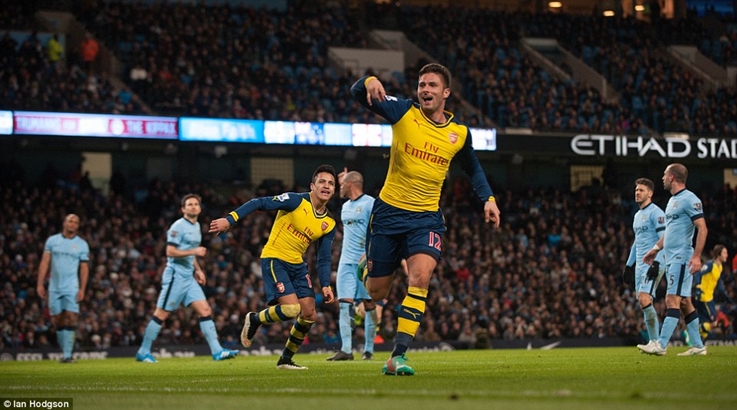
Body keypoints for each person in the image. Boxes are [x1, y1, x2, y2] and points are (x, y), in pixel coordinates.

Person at [350, 63, 501, 375]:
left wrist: (488, 199)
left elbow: (472, 167)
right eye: (421, 85)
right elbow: (356, 93)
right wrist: (369, 80)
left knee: (420, 278)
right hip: (389, 214)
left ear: (446, 93)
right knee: (377, 293)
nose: (425, 90)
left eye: (432, 85)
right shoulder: (403, 112)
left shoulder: (459, 134)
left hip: (425, 219)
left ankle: (398, 356)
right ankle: (366, 270)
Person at [209, 165, 338, 370]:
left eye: (331, 183)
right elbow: (258, 202)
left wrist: (325, 284)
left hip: (297, 264)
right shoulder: (295, 200)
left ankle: (285, 360)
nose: (326, 186)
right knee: (291, 309)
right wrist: (230, 219)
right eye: (322, 181)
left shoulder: (329, 223)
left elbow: (323, 258)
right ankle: (255, 319)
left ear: (333, 190)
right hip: (275, 258)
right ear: (312, 186)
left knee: (309, 314)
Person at [136, 194, 238, 363]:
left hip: (188, 277)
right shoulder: (178, 226)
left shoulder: (196, 226)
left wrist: (198, 269)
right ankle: (143, 351)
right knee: (161, 314)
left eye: (195, 204)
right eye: (189, 204)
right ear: (183, 209)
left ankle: (217, 351)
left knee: (205, 310)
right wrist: (194, 252)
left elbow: (189, 253)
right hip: (175, 276)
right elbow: (170, 252)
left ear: (200, 208)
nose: (193, 206)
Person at [639, 163, 708, 356]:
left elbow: (702, 228)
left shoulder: (690, 199)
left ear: (672, 177)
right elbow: (669, 232)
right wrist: (655, 249)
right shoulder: (672, 201)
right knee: (685, 302)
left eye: (664, 174)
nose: (662, 178)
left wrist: (696, 256)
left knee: (672, 299)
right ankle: (698, 346)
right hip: (671, 257)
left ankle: (660, 345)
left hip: (681, 257)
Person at [326, 169, 378, 361]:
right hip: (345, 262)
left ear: (350, 184)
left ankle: (369, 349)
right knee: (344, 304)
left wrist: (370, 253)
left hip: (365, 263)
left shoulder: (371, 203)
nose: (338, 188)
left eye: (342, 184)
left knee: (369, 303)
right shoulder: (345, 206)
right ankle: (346, 350)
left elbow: (379, 231)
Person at [36, 214, 90, 363]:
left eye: (76, 222)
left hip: (72, 286)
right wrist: (40, 283)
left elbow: (84, 268)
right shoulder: (52, 241)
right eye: (70, 221)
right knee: (57, 320)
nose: (73, 224)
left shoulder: (82, 244)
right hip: (54, 286)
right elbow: (45, 262)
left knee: (71, 317)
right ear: (64, 223)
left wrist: (82, 289)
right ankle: (65, 351)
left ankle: (67, 355)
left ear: (78, 226)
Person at [623, 178, 665, 344]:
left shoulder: (656, 213)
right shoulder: (637, 215)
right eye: (636, 190)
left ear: (650, 193)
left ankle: (655, 342)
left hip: (652, 263)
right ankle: (655, 342)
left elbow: (665, 239)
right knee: (644, 302)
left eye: (641, 190)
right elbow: (637, 242)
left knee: (644, 298)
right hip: (640, 266)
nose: (637, 193)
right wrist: (628, 265)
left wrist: (657, 262)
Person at [693, 244, 731, 340]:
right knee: (713, 323)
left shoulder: (720, 267)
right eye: (725, 253)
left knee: (705, 323)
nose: (727, 255)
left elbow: (719, 284)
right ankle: (693, 332)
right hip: (704, 297)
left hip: (709, 297)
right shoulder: (710, 265)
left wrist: (725, 296)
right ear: (718, 254)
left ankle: (699, 344)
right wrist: (698, 287)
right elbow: (698, 274)